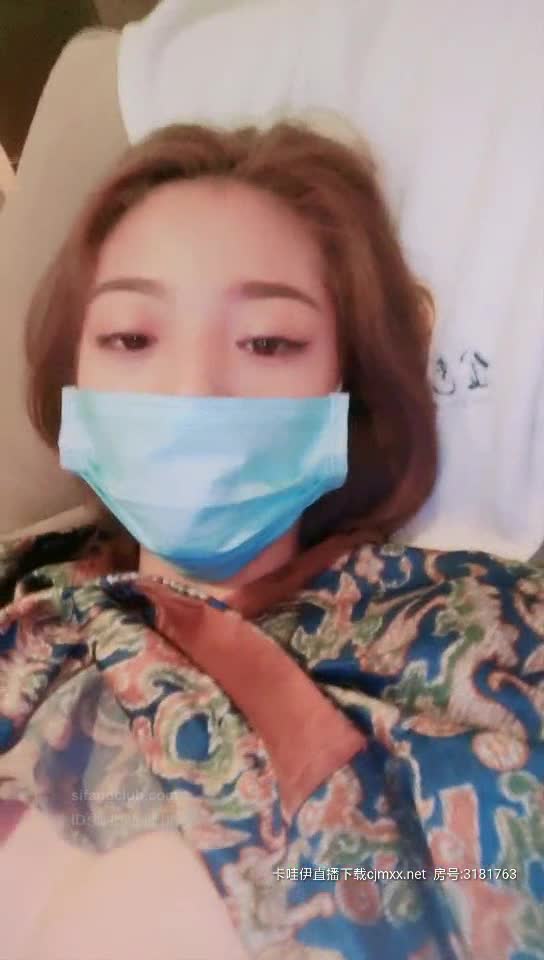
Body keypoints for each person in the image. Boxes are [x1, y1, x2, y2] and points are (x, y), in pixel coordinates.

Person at [0, 121, 542, 960]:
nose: (193, 392)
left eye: (268, 342)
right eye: (131, 338)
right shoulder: (26, 606)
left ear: (345, 385)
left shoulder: (487, 635)